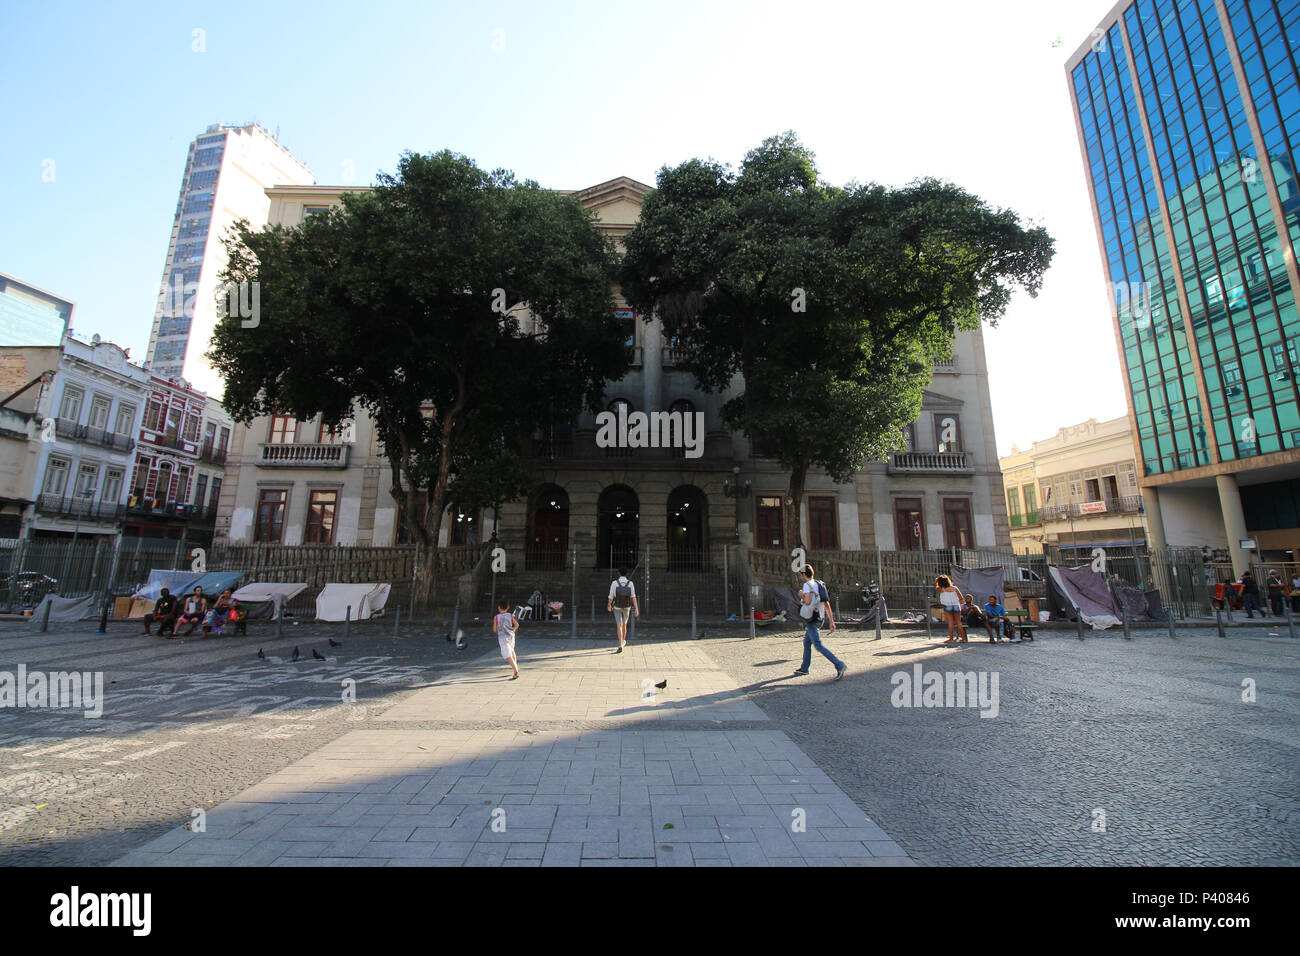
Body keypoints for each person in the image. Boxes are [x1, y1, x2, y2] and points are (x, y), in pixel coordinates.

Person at [792, 564, 847, 680]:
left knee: (818, 645)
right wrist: (831, 621)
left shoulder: (806, 585)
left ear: (803, 574)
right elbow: (826, 604)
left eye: (801, 575)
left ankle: (839, 664)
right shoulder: (819, 584)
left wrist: (801, 594)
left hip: (812, 619)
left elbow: (806, 602)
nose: (801, 577)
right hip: (820, 618)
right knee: (807, 643)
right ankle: (804, 668)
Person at [606, 567, 638, 653]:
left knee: (618, 625)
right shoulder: (630, 583)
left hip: (617, 606)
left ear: (619, 573)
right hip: (627, 607)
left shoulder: (614, 583)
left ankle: (620, 644)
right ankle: (623, 641)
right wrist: (636, 608)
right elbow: (633, 596)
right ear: (627, 574)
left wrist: (609, 604)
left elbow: (611, 596)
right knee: (624, 625)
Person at [491, 599, 521, 679]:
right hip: (511, 635)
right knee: (512, 650)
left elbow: (494, 629)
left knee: (507, 655)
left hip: (502, 637)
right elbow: (517, 625)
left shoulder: (496, 617)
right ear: (507, 607)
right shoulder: (510, 615)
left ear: (498, 608)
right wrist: (513, 629)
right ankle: (516, 667)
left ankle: (515, 670)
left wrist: (499, 632)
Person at [935, 575, 967, 644]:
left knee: (950, 622)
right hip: (956, 605)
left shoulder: (941, 589)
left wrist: (937, 580)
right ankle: (964, 639)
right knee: (959, 622)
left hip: (947, 606)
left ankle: (951, 639)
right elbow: (961, 597)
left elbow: (936, 587)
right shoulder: (955, 588)